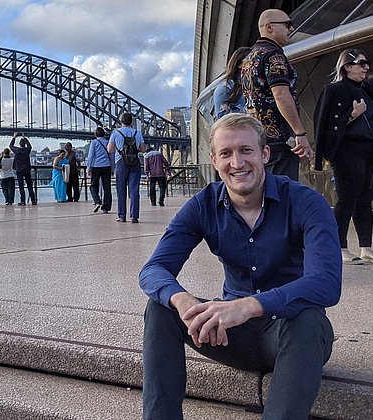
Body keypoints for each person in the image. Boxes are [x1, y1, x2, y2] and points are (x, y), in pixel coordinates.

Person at [140, 113, 341, 419]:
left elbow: (326, 282)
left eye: (246, 151)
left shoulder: (306, 202)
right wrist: (184, 301)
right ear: (214, 159)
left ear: (264, 154)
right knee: (160, 308)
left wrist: (249, 305)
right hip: (231, 335)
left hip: (291, 333)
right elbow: (153, 270)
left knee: (309, 320)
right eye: (226, 154)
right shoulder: (203, 205)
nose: (237, 163)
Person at [314, 49, 373, 265]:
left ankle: (366, 246)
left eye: (367, 64)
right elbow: (322, 125)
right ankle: (340, 247)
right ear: (347, 66)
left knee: (365, 199)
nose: (365, 67)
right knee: (347, 199)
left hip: (367, 150)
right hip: (346, 150)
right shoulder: (334, 90)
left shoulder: (366, 89)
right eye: (361, 63)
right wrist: (351, 115)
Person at [241, 9, 314, 181]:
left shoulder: (250, 57)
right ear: (269, 27)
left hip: (258, 138)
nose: (291, 29)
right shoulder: (274, 56)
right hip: (280, 141)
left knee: (265, 191)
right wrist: (300, 134)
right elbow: (281, 94)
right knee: (282, 191)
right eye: (287, 24)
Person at [108, 112, 145, 223]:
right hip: (135, 163)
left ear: (121, 121)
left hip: (120, 163)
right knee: (134, 190)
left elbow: (109, 149)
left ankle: (122, 216)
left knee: (121, 190)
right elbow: (143, 149)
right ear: (131, 122)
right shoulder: (137, 133)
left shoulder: (116, 133)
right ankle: (134, 216)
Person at [213, 46, 251, 120]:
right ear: (240, 64)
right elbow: (223, 119)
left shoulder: (252, 84)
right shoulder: (225, 87)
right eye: (250, 61)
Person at [87, 127, 113, 214]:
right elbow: (111, 156)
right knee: (107, 187)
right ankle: (106, 207)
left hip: (96, 166)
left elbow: (91, 156)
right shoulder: (108, 142)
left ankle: (97, 201)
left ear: (96, 134)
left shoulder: (94, 143)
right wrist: (112, 168)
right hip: (107, 166)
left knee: (93, 186)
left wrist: (88, 168)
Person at [9, 133, 37, 206]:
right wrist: (25, 138)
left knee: (21, 186)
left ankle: (23, 201)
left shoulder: (17, 150)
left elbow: (10, 146)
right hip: (27, 169)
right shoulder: (27, 150)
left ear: (19, 144)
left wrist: (14, 137)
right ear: (24, 144)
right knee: (29, 185)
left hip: (19, 170)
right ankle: (33, 200)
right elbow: (30, 146)